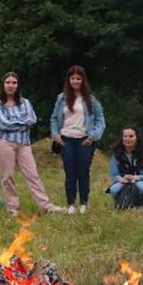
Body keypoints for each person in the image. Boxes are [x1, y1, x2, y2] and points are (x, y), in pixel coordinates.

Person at [0, 72, 62, 217]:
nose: (11, 86)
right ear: (3, 85)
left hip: (24, 144)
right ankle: (13, 208)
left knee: (33, 175)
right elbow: (3, 124)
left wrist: (17, 123)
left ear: (18, 86)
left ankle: (45, 206)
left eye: (14, 83)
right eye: (8, 82)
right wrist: (22, 122)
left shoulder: (25, 102)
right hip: (6, 144)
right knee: (7, 177)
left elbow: (32, 119)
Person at [49, 65, 105, 213]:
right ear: (69, 80)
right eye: (72, 78)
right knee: (70, 172)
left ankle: (84, 204)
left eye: (78, 78)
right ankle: (71, 204)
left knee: (83, 172)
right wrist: (55, 134)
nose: (75, 81)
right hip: (66, 139)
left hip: (84, 140)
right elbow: (54, 118)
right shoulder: (61, 98)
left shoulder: (91, 99)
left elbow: (100, 120)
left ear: (83, 80)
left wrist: (94, 136)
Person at [107, 127, 143, 211]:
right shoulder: (116, 154)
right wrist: (122, 179)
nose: (128, 139)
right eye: (125, 136)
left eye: (131, 136)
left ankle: (142, 203)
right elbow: (114, 175)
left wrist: (135, 178)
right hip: (122, 180)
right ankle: (120, 203)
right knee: (113, 190)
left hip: (140, 180)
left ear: (136, 138)